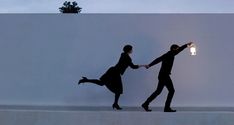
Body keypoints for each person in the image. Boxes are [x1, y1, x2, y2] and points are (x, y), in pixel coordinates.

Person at [78, 45, 144, 110]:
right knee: (117, 90)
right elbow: (133, 67)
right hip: (114, 73)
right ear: (129, 50)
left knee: (107, 86)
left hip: (113, 71)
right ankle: (115, 104)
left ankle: (86, 80)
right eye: (131, 49)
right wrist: (143, 65)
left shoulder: (123, 54)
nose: (132, 50)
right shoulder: (127, 57)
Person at [142, 42, 193, 112]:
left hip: (163, 75)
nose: (178, 51)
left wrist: (187, 45)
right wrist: (149, 65)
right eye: (177, 49)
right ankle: (166, 108)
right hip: (164, 76)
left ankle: (145, 104)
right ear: (173, 49)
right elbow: (158, 59)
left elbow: (180, 49)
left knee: (158, 91)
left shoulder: (171, 54)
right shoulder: (169, 54)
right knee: (171, 91)